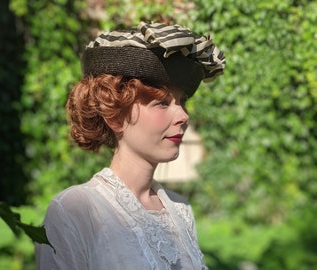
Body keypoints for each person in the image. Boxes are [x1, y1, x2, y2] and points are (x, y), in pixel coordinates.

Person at [35, 21, 225, 270]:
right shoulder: (75, 211)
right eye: (162, 103)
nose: (183, 116)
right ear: (114, 115)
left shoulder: (179, 209)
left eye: (182, 101)